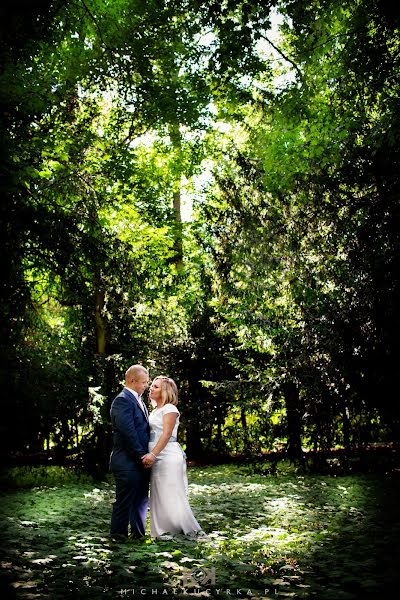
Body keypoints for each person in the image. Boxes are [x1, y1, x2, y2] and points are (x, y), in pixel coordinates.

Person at [142, 376, 203, 539]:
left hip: (167, 455)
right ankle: (162, 531)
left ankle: (182, 530)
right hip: (155, 455)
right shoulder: (155, 410)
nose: (151, 389)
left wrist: (153, 454)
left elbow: (167, 434)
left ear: (165, 391)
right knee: (159, 492)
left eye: (155, 387)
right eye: (152, 386)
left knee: (171, 491)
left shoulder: (170, 409)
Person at [109, 364, 150, 539]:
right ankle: (118, 540)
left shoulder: (138, 399)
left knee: (140, 501)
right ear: (132, 381)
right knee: (124, 503)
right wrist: (142, 456)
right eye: (143, 382)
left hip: (138, 462)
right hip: (127, 462)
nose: (146, 386)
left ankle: (138, 536)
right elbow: (129, 433)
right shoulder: (122, 400)